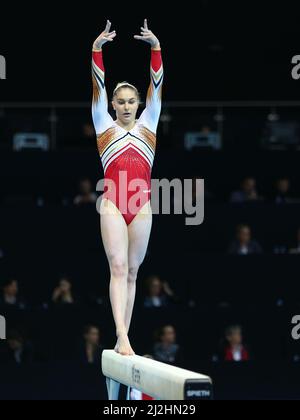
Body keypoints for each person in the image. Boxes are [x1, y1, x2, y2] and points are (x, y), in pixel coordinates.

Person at [91, 19, 163, 355]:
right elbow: (97, 85)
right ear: (113, 105)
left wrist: (156, 49)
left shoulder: (149, 122)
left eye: (130, 101)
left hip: (142, 207)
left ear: (138, 104)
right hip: (113, 205)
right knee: (118, 267)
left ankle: (126, 336)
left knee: (133, 272)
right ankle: (121, 334)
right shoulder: (102, 122)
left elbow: (156, 85)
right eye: (119, 101)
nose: (125, 105)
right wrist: (96, 50)